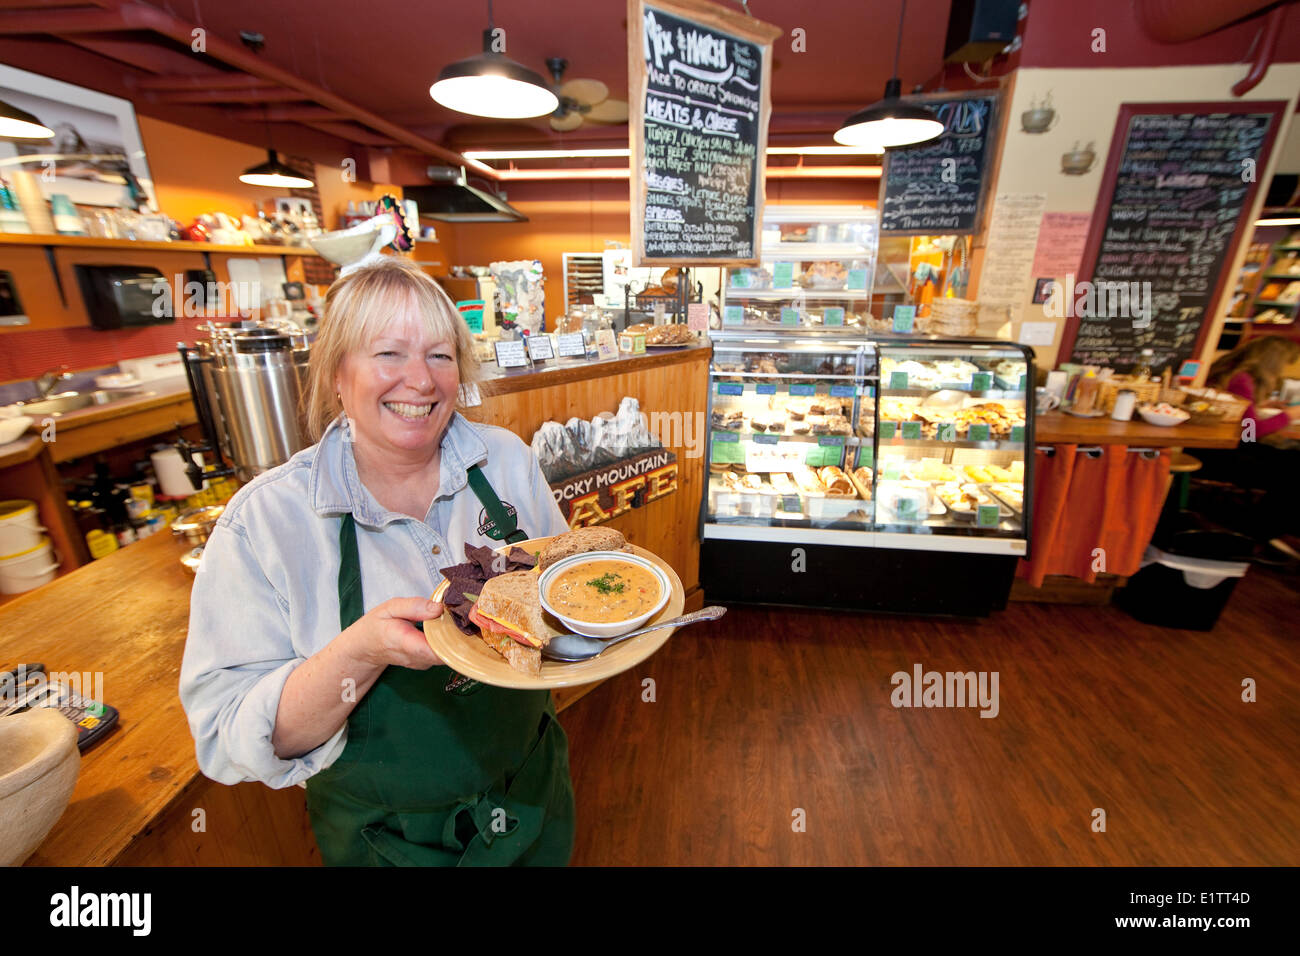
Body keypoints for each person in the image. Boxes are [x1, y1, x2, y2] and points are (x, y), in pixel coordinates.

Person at [179, 257, 575, 866]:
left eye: (440, 356)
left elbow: (560, 600)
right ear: (338, 372)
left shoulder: (507, 463)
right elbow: (229, 738)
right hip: (386, 841)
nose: (420, 381)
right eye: (389, 353)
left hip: (531, 799)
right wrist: (360, 652)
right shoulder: (265, 524)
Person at [1196, 335, 1300, 550]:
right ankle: (1261, 530)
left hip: (1213, 448)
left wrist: (1261, 407)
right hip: (1220, 455)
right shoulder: (1241, 380)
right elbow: (1250, 433)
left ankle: (1267, 527)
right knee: (1293, 467)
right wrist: (1289, 414)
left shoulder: (1230, 372)